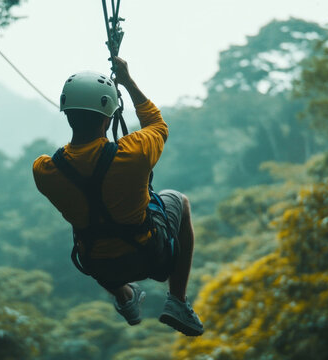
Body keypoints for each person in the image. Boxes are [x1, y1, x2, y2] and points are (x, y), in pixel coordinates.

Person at [32, 56, 203, 336]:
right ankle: (178, 301)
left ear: (66, 112)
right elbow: (157, 124)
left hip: (101, 267)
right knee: (179, 201)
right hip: (151, 254)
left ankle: (124, 297)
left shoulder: (45, 171)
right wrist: (127, 81)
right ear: (109, 115)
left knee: (90, 230)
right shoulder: (132, 152)